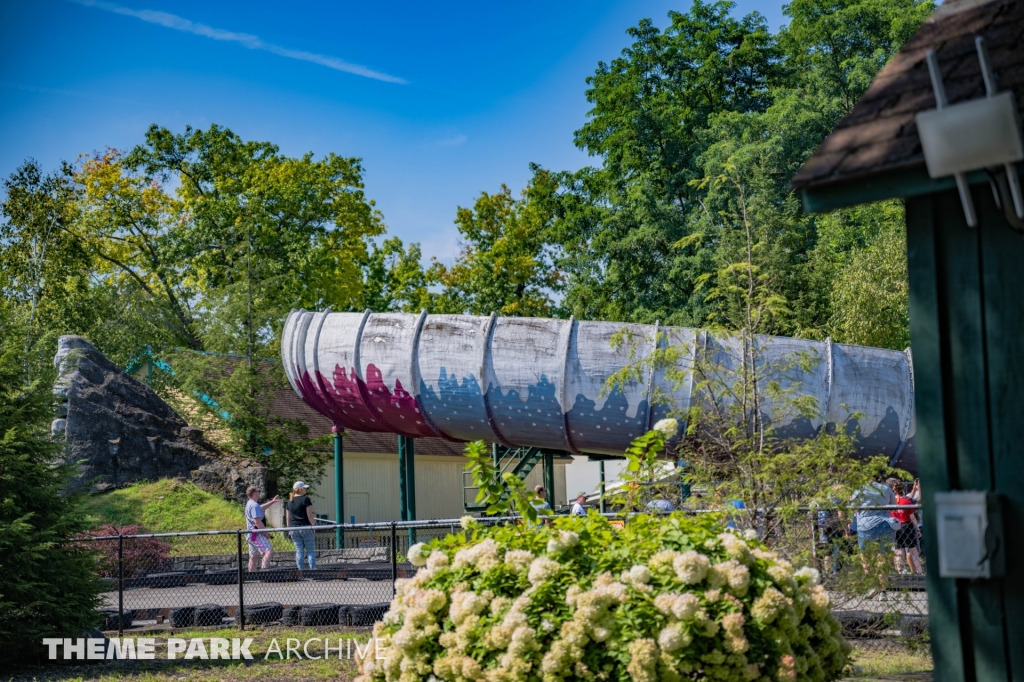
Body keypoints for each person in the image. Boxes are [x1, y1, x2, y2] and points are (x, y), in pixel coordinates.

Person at [852, 478, 900, 555]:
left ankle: (868, 567)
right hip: (885, 523)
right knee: (883, 554)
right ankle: (881, 566)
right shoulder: (887, 488)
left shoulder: (859, 489)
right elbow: (893, 507)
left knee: (865, 555)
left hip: (866, 524)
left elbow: (853, 507)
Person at [889, 479, 924, 575]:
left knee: (899, 550)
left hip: (895, 526)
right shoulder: (906, 501)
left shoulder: (891, 502)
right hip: (907, 526)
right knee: (913, 550)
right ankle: (919, 571)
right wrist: (917, 529)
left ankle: (900, 572)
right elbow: (912, 517)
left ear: (894, 491)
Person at [245, 486, 280, 571]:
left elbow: (261, 508)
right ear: (254, 493)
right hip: (256, 534)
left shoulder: (250, 503)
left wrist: (272, 502)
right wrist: (265, 533)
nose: (260, 492)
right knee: (269, 551)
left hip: (251, 535)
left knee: (254, 557)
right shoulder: (254, 505)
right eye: (258, 491)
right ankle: (263, 574)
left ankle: (252, 577)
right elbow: (257, 521)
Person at [286, 481, 317, 575]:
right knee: (310, 550)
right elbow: (310, 515)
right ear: (300, 489)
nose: (306, 489)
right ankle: (313, 572)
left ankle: (300, 573)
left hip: (293, 529)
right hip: (306, 527)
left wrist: (288, 529)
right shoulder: (305, 499)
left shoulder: (289, 501)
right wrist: (313, 526)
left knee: (299, 551)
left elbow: (288, 517)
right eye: (304, 488)